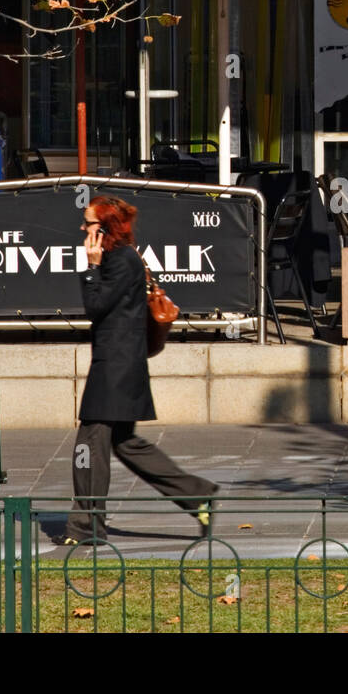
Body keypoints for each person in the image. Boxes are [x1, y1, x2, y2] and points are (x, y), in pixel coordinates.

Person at [61, 195, 217, 545]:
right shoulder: (123, 259)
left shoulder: (119, 261)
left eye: (89, 223)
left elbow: (97, 306)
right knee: (125, 443)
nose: (83, 228)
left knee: (89, 443)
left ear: (106, 229)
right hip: (121, 364)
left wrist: (90, 268)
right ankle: (197, 495)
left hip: (114, 367)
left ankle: (87, 525)